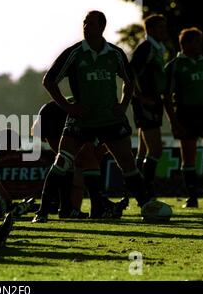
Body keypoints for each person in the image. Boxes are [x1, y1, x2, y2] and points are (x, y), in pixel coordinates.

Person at [39, 11, 152, 221]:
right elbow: (49, 81)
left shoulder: (115, 53)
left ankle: (146, 206)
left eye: (90, 23)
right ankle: (42, 212)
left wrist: (123, 104)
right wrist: (67, 107)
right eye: (84, 22)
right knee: (62, 161)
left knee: (127, 160)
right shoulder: (74, 53)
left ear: (101, 27)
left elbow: (130, 81)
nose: (85, 26)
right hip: (81, 120)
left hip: (110, 119)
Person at [31, 101, 127, 223]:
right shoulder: (109, 127)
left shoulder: (109, 123)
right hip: (59, 114)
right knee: (73, 160)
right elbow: (89, 164)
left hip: (58, 112)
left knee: (71, 161)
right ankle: (50, 210)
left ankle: (67, 209)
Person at [163, 27, 203, 207]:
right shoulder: (175, 66)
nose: (200, 45)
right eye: (197, 41)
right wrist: (173, 121)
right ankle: (192, 197)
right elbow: (166, 96)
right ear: (186, 44)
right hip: (186, 114)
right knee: (188, 156)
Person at [130, 14, 168, 198]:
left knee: (143, 150)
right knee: (156, 149)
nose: (163, 31)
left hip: (154, 102)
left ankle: (135, 190)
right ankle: (147, 191)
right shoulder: (146, 48)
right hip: (147, 104)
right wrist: (140, 96)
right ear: (150, 30)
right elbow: (131, 72)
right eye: (160, 27)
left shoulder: (158, 48)